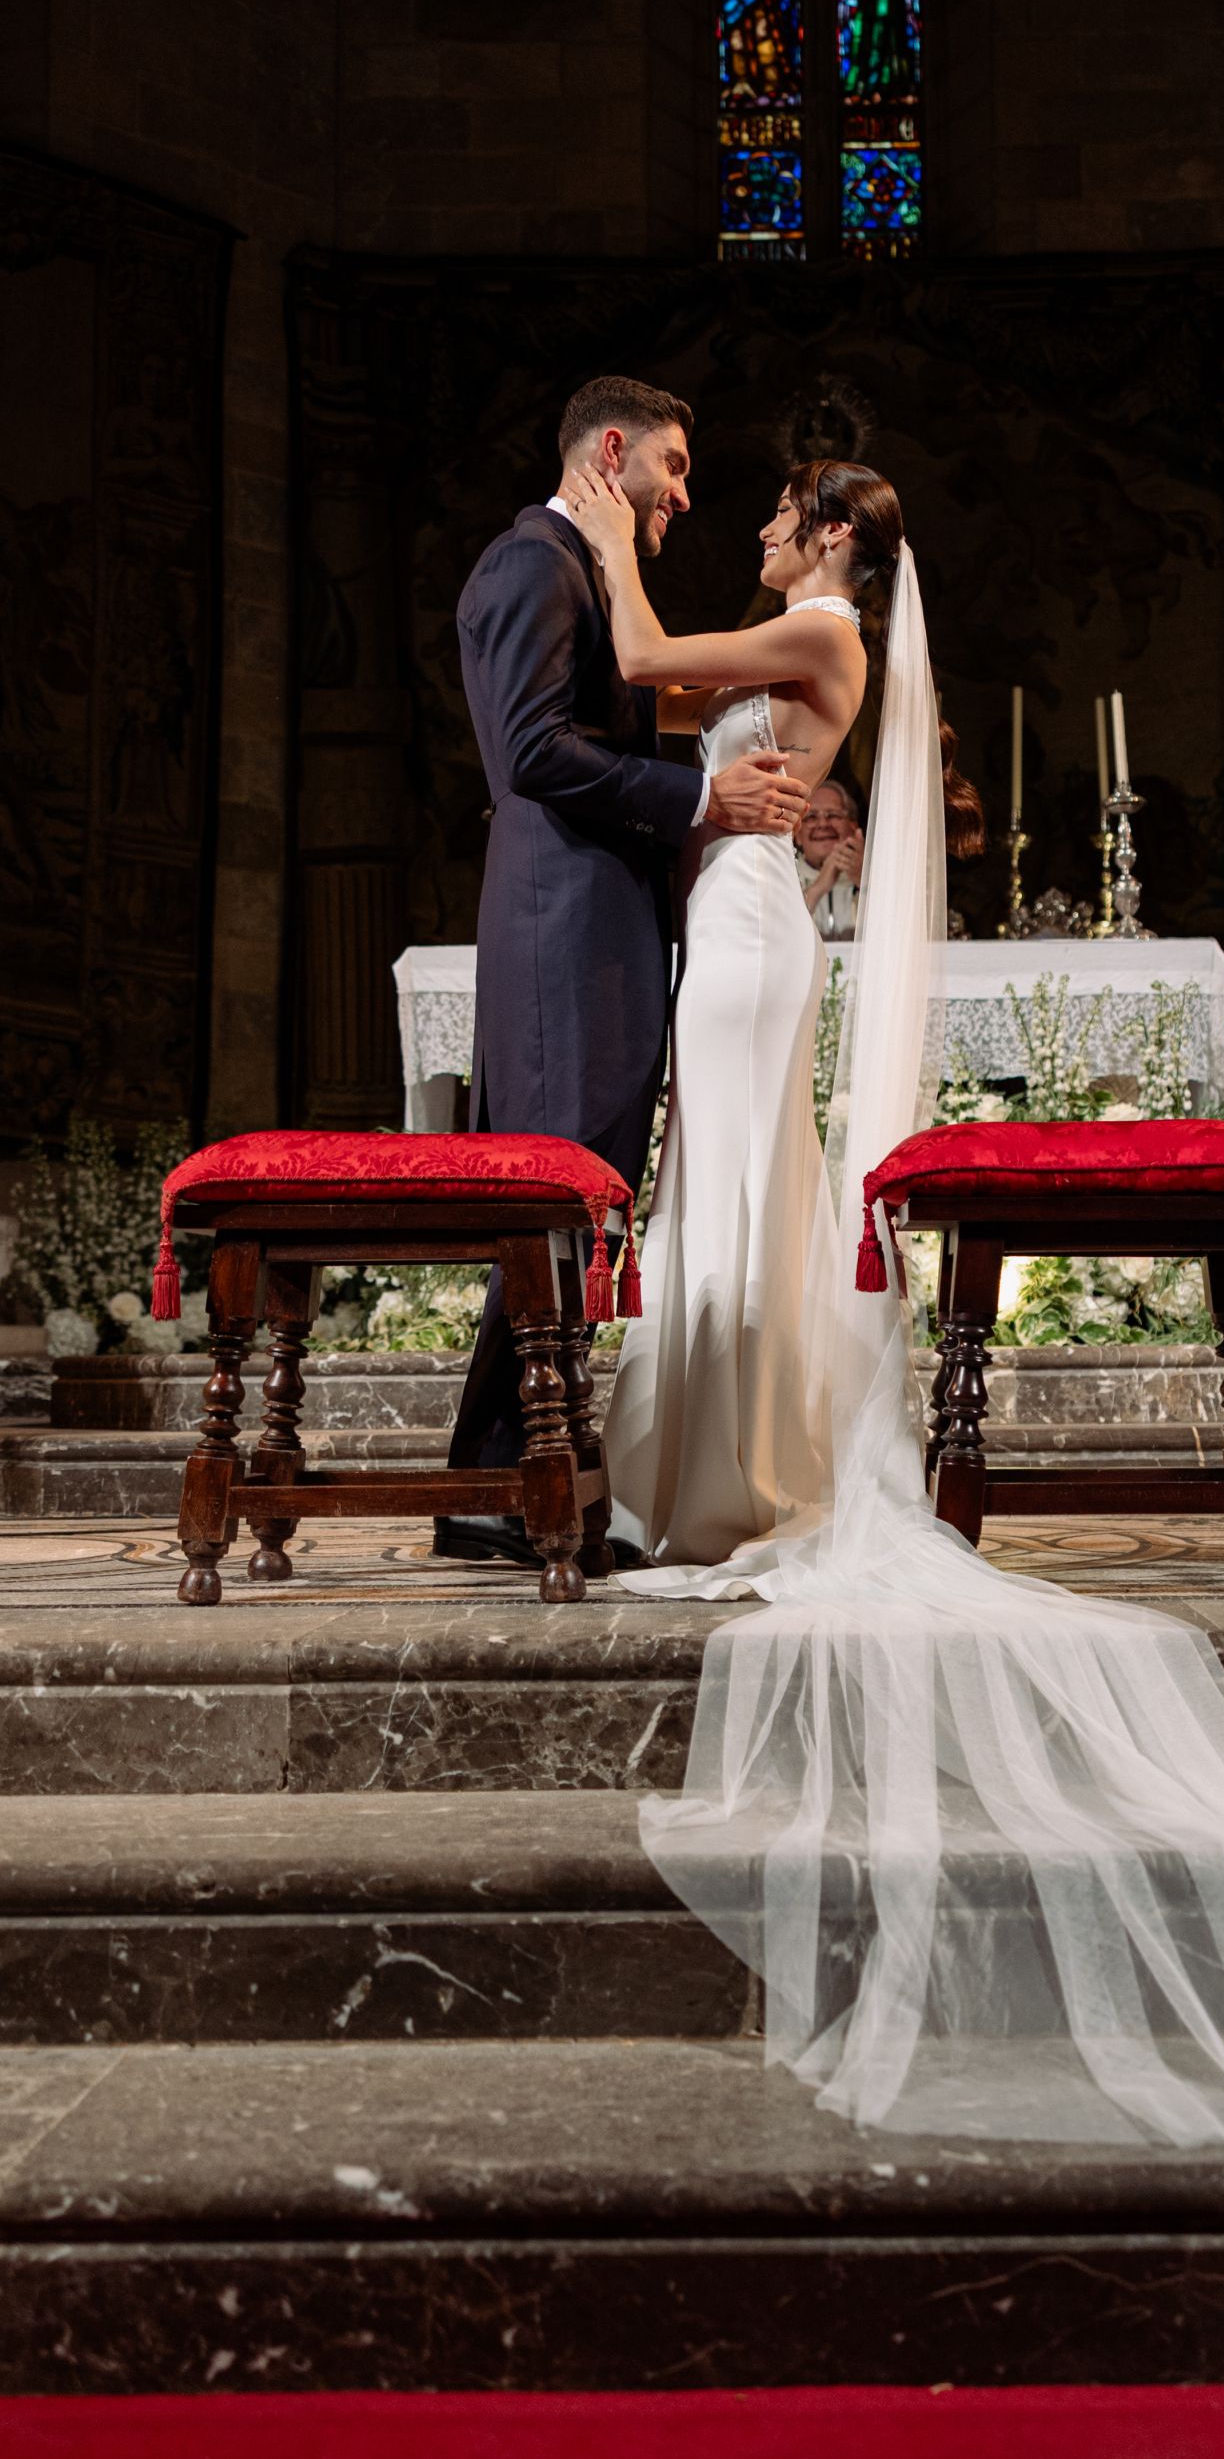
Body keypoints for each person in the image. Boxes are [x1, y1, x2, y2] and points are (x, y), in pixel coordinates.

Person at [564, 454, 1224, 2153]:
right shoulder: (803, 629)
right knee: (723, 1193)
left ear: (825, 535)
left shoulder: (815, 633)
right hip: (730, 919)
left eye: (769, 507)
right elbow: (687, 718)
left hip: (748, 939)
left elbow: (651, 662)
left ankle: (713, 1474)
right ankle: (702, 1461)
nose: (742, 519)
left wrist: (604, 537)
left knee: (741, 1188)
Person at [434, 376, 806, 1571]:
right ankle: (500, 1484)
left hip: (604, 933)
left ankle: (516, 1474)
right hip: (563, 937)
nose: (686, 496)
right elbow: (533, 749)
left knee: (576, 1205)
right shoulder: (529, 563)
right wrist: (705, 794)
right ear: (613, 451)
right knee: (549, 1204)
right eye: (676, 467)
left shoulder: (581, 567)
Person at [795, 777, 865, 937]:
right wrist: (819, 887)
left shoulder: (880, 875)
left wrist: (865, 880)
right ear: (797, 835)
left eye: (833, 815)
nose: (823, 824)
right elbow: (779, 935)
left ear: (853, 827)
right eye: (811, 817)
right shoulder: (783, 876)